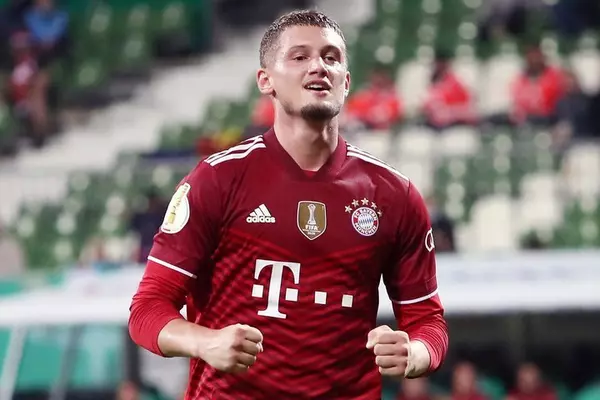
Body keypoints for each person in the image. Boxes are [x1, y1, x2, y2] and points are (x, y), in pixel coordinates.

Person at [129, 9, 448, 399]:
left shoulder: (394, 195)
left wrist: (414, 353)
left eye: (331, 58)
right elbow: (147, 310)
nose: (319, 67)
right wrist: (204, 341)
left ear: (346, 81)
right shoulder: (217, 180)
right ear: (266, 80)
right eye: (300, 56)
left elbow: (428, 321)